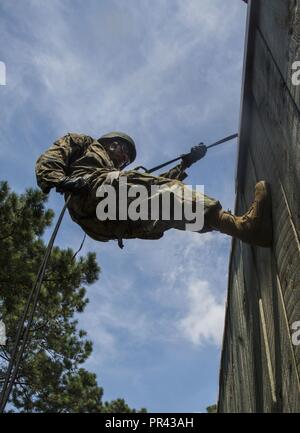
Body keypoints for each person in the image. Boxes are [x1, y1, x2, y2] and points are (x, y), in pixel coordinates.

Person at [35, 132, 272, 248]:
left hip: (113, 221)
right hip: (89, 194)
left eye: (127, 158)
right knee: (163, 192)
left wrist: (186, 163)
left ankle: (242, 228)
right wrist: (59, 180)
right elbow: (53, 156)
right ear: (112, 144)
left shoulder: (116, 175)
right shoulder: (86, 144)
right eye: (123, 153)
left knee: (167, 201)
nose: (124, 159)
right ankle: (242, 227)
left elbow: (157, 187)